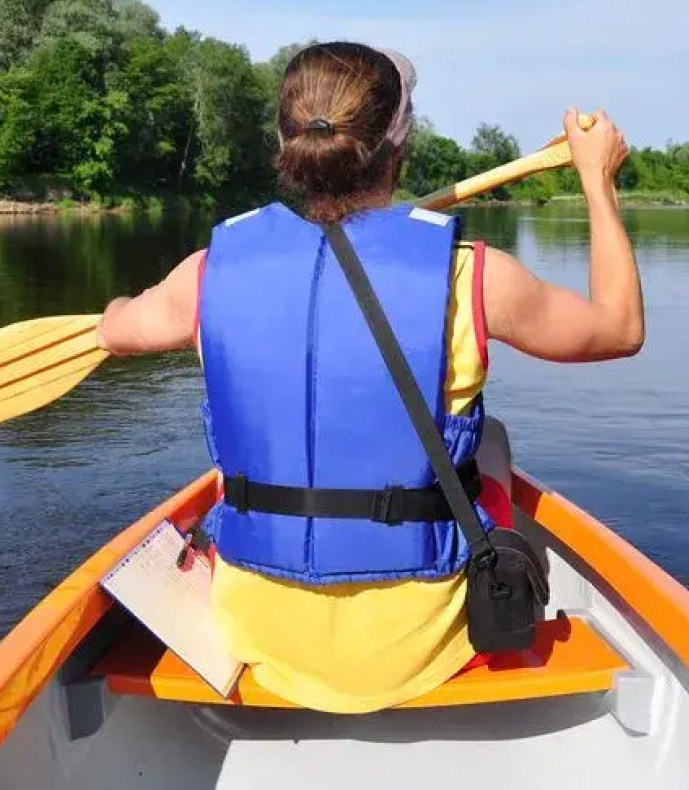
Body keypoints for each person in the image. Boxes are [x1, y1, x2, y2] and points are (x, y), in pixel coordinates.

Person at [94, 40, 644, 713]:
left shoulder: (204, 273)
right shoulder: (469, 274)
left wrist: (115, 312)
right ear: (398, 149)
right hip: (418, 649)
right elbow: (617, 330)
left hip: (258, 634)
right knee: (488, 438)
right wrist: (596, 180)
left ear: (286, 145)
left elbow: (116, 332)